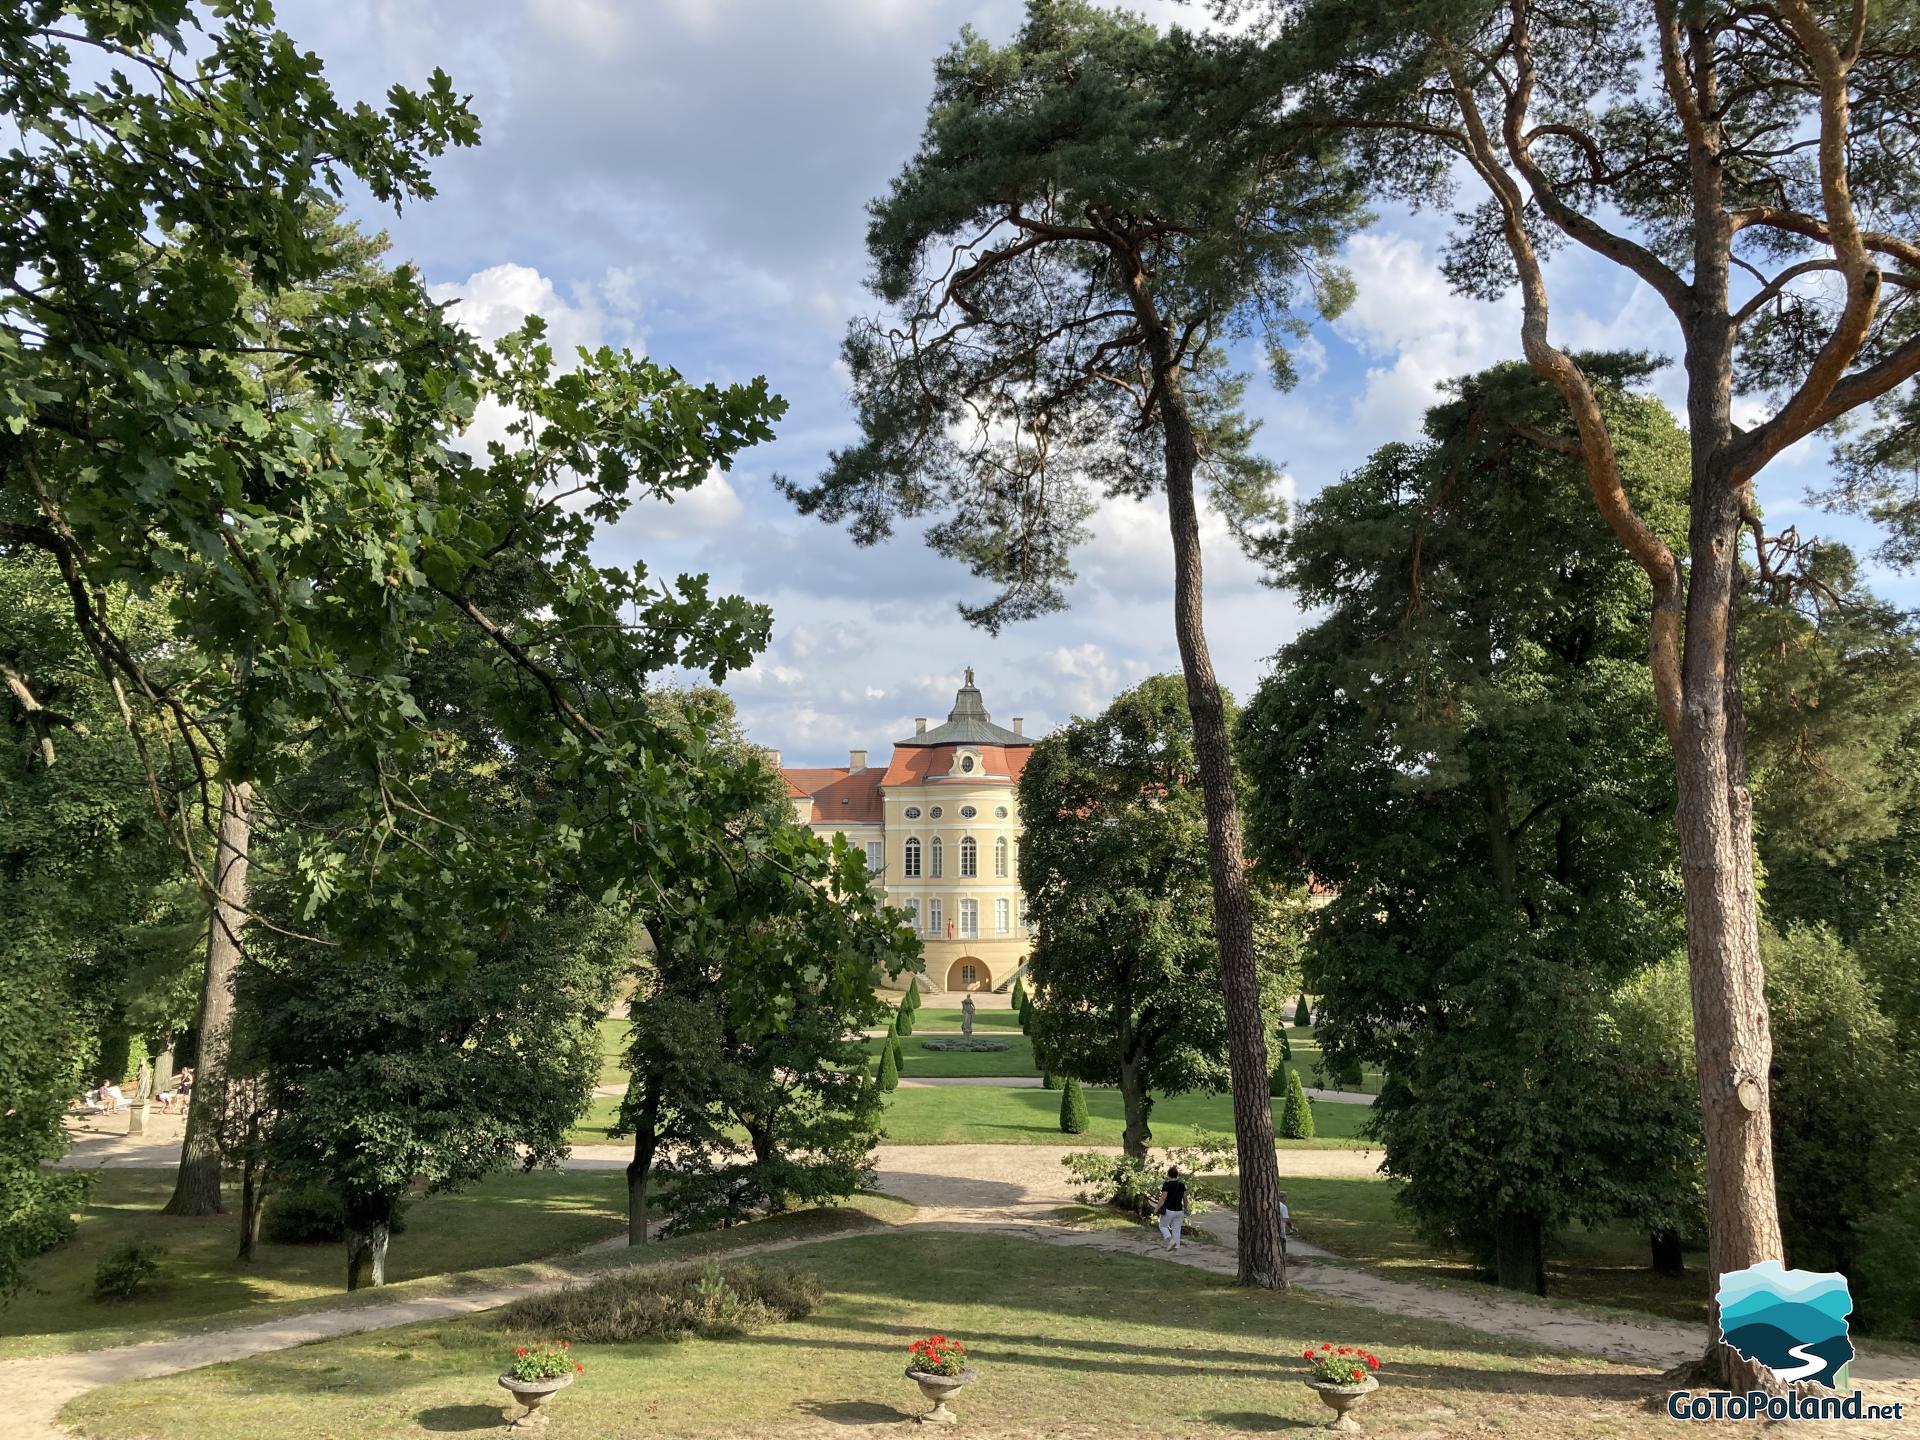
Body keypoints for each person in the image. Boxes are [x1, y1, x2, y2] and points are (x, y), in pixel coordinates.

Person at [1157, 1165, 1188, 1251]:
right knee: (1176, 1230)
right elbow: (1185, 1199)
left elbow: (1163, 1198)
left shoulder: (1167, 1185)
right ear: (1177, 1175)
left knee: (1162, 1226)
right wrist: (1185, 1208)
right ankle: (1176, 1247)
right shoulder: (1182, 1185)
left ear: (1168, 1175)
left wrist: (1157, 1208)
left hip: (1169, 1210)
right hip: (1179, 1211)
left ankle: (1171, 1241)